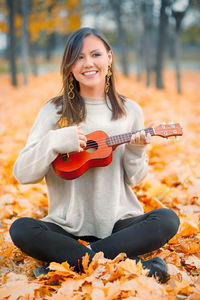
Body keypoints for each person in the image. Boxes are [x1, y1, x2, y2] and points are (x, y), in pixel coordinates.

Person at [9, 27, 179, 282]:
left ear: (109, 58)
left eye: (96, 54)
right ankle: (134, 266)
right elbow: (22, 173)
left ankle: (74, 262)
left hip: (119, 225)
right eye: (78, 57)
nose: (88, 63)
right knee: (21, 229)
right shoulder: (54, 111)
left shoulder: (129, 110)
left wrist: (136, 148)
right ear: (68, 65)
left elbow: (136, 179)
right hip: (66, 226)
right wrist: (55, 141)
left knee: (167, 219)